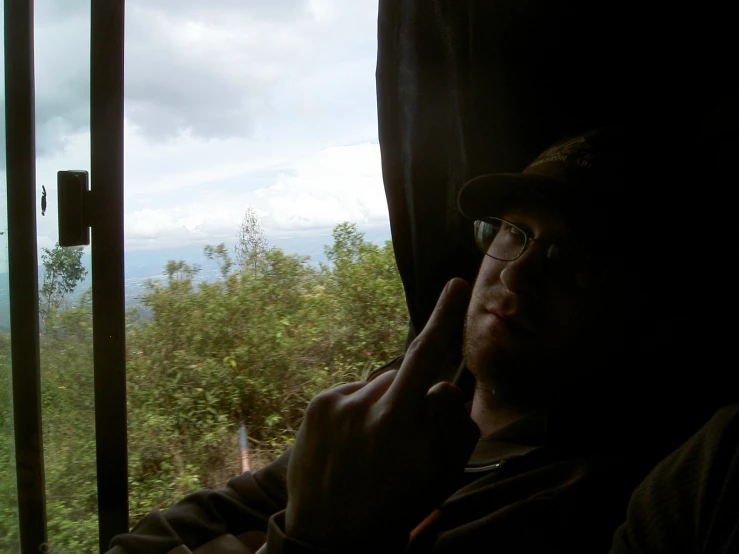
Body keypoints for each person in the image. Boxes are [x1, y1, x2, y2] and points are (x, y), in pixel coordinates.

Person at [107, 125, 721, 554]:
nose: (518, 270)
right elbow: (217, 510)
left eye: (581, 254)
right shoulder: (412, 398)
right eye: (515, 231)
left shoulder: (589, 501)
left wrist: (317, 541)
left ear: (652, 304)